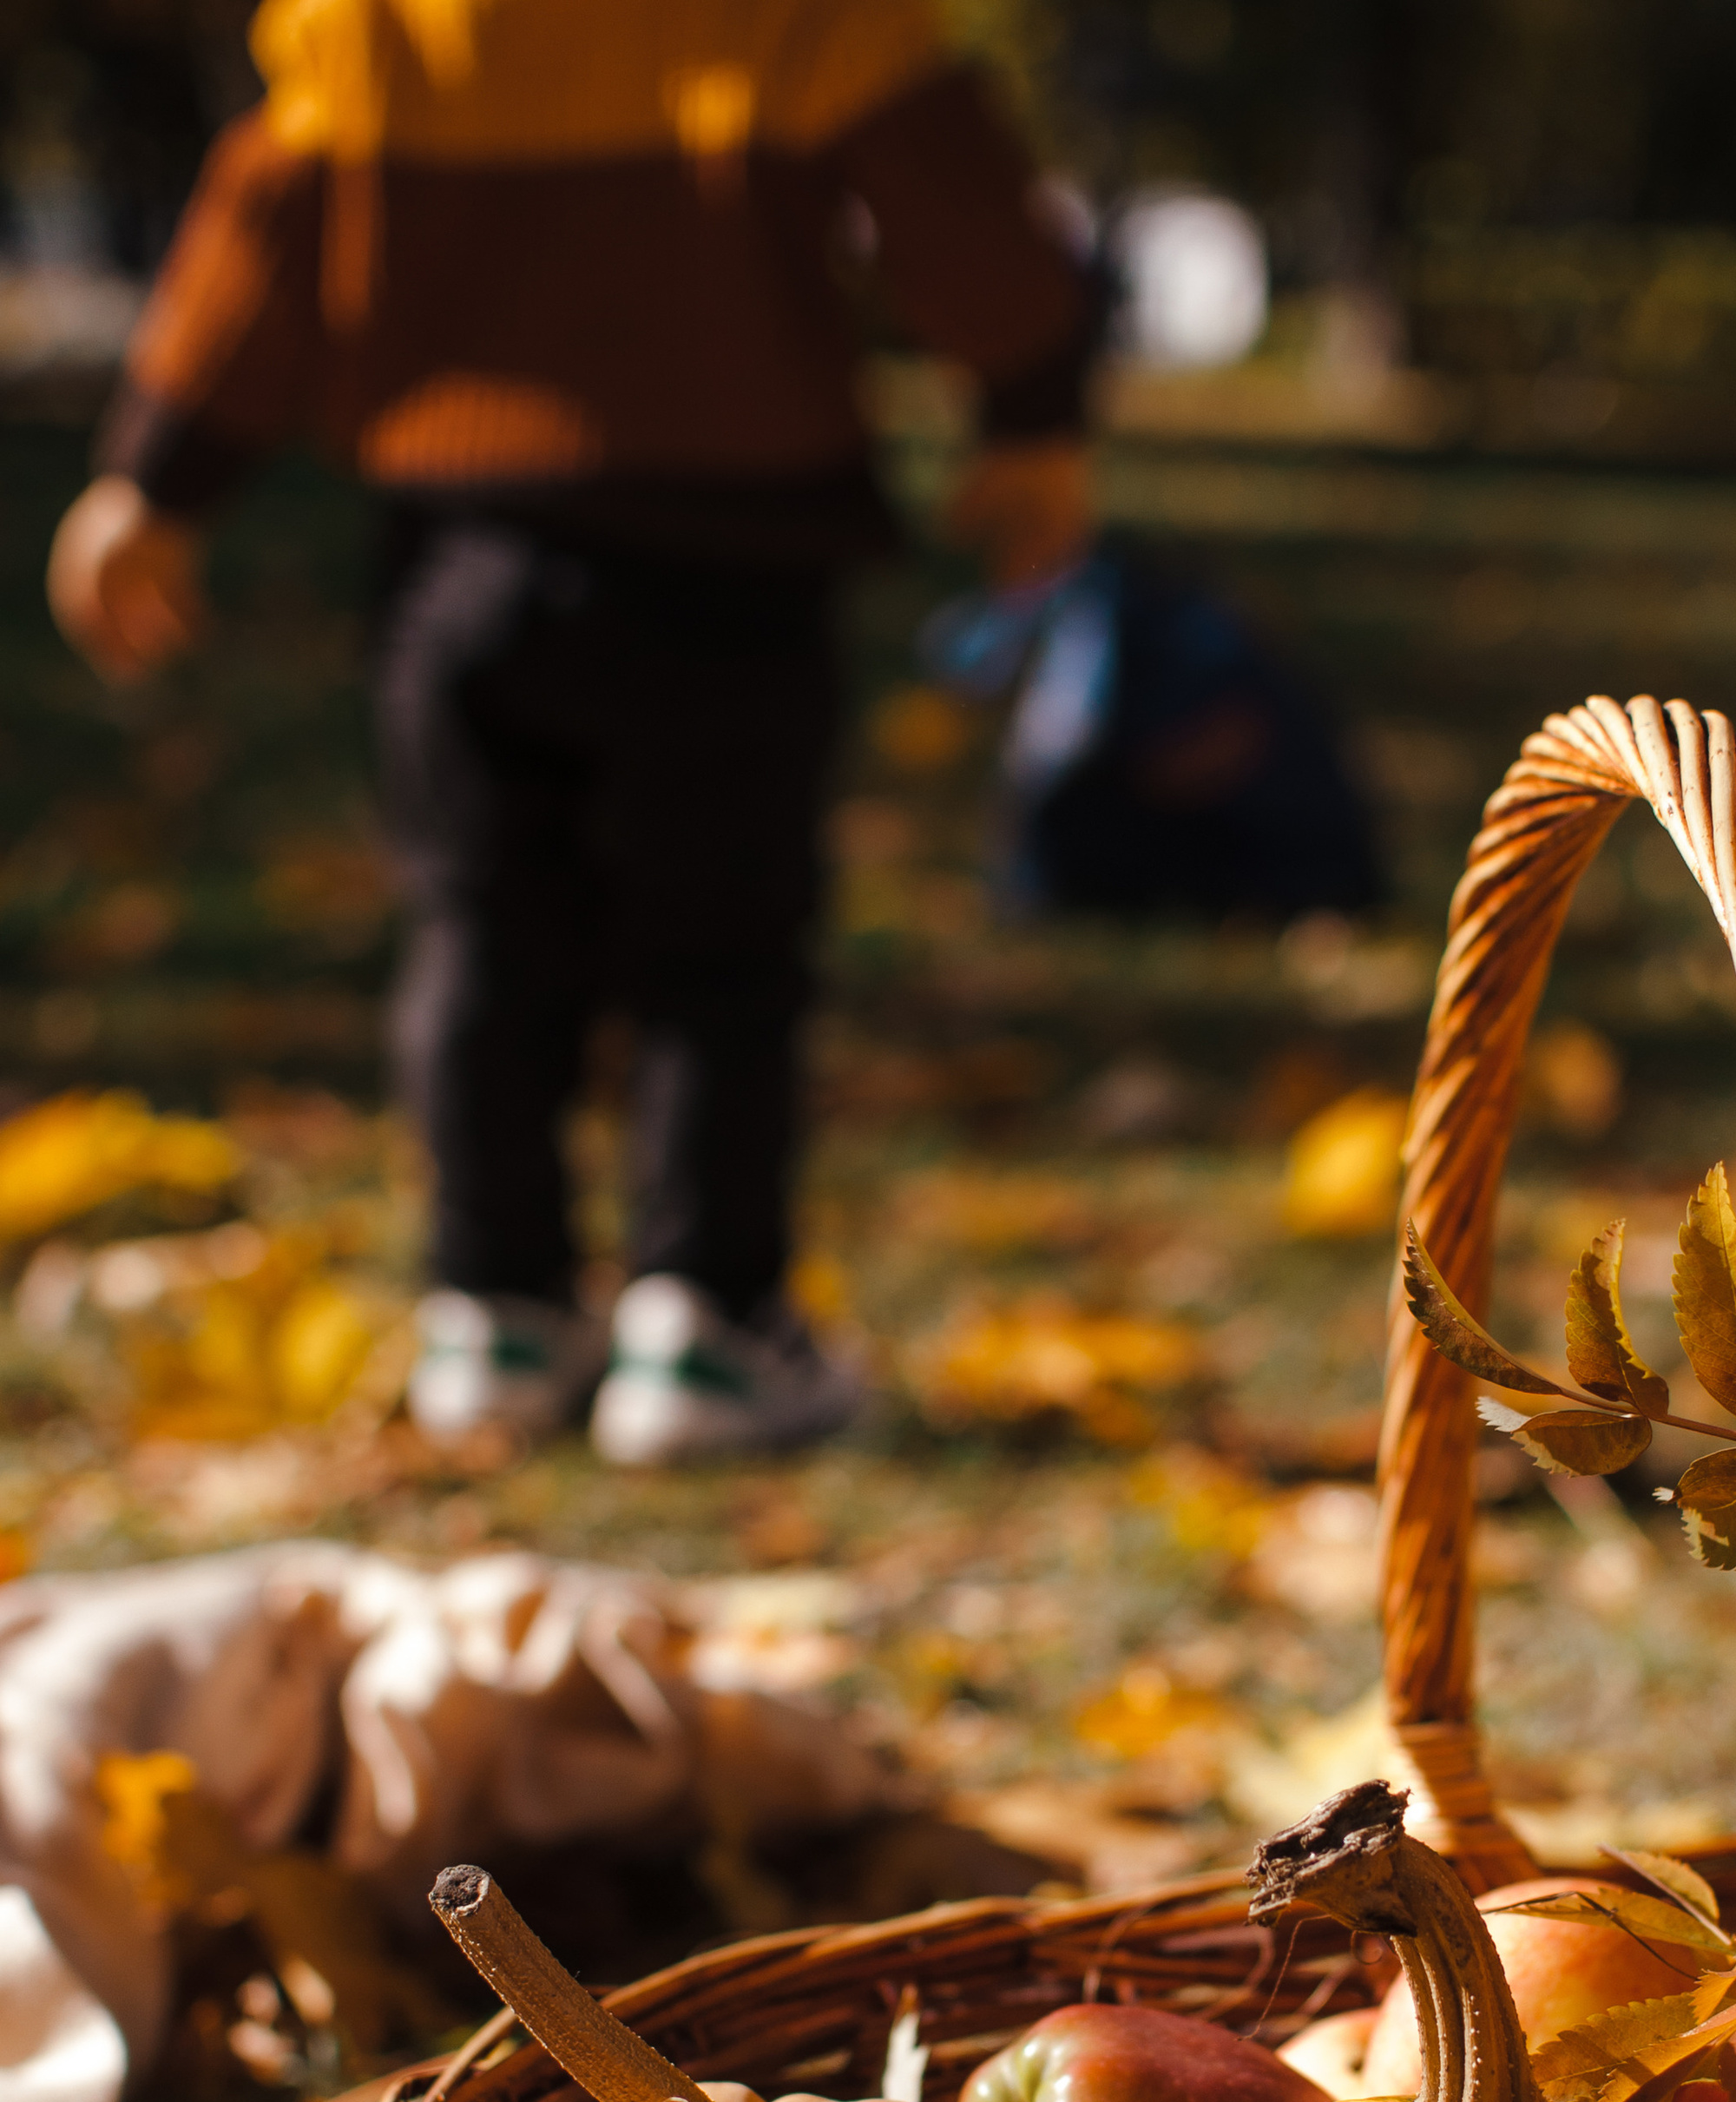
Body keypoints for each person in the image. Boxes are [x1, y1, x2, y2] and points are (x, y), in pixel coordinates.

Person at [49, 0, 1097, 1464]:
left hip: (464, 554)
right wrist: (1031, 409)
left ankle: (498, 1305)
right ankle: (709, 1320)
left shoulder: (385, 19)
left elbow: (266, 224)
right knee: (721, 949)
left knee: (482, 926)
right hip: (731, 553)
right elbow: (956, 193)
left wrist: (158, 480)